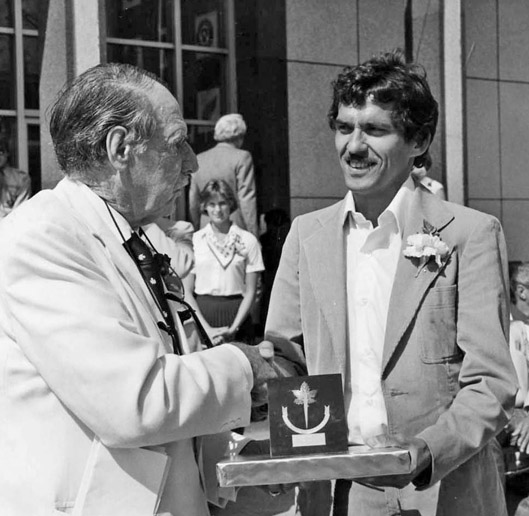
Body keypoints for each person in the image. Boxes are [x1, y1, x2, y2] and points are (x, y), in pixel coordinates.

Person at [0, 63, 277, 516]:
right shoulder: (41, 237)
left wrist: (244, 472)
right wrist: (244, 366)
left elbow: (174, 382)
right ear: (120, 148)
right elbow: (136, 401)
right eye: (176, 143)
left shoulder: (133, 236)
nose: (192, 163)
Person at [264, 50, 517, 516]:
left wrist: (426, 452)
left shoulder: (469, 234)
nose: (354, 146)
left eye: (375, 130)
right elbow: (286, 360)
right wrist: (291, 450)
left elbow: (491, 382)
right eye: (344, 128)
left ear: (418, 140)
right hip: (338, 494)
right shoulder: (306, 235)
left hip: (443, 489)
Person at [190, 179, 264, 345]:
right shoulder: (194, 240)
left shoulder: (248, 240)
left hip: (238, 316)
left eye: (222, 203)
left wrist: (234, 329)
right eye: (212, 204)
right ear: (204, 206)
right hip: (202, 316)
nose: (217, 210)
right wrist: (206, 329)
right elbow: (186, 291)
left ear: (230, 204)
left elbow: (251, 291)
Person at [189, 113, 258, 236]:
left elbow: (193, 199)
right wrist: (253, 233)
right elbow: (246, 198)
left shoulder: (199, 158)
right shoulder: (242, 157)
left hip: (206, 225)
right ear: (239, 136)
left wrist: (196, 225)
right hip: (234, 225)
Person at [0, 138, 31, 218]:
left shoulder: (21, 178)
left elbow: (20, 209)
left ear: (7, 153)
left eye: (1, 152)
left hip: (11, 224)